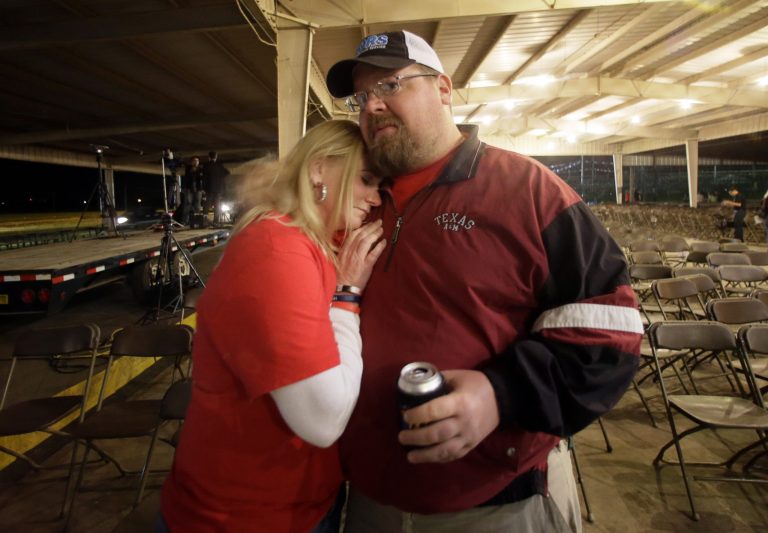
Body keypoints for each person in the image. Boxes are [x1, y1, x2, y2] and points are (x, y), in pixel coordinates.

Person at [325, 30, 643, 532]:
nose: (372, 106)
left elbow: (609, 330)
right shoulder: (357, 198)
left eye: (390, 85)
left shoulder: (528, 191)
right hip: (368, 501)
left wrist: (501, 394)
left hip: (496, 504)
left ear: (444, 89)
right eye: (361, 97)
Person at [159, 120, 386, 532]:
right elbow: (323, 419)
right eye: (366, 179)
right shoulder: (278, 250)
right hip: (245, 516)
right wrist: (347, 295)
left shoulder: (308, 243)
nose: (374, 198)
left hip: (297, 502)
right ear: (318, 169)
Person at [203, 150, 231, 225]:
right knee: (217, 204)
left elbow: (204, 177)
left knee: (207, 203)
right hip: (219, 188)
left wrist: (204, 187)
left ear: (209, 157)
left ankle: (204, 219)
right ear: (216, 157)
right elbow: (228, 172)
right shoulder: (220, 165)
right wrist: (220, 178)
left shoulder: (206, 165)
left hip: (209, 187)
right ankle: (216, 221)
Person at [181, 156, 203, 226]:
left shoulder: (200, 169)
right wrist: (192, 171)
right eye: (195, 161)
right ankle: (184, 221)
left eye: (197, 161)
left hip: (198, 189)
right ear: (192, 162)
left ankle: (197, 221)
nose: (196, 162)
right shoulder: (188, 168)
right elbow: (187, 177)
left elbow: (202, 178)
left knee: (197, 205)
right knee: (187, 204)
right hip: (189, 189)